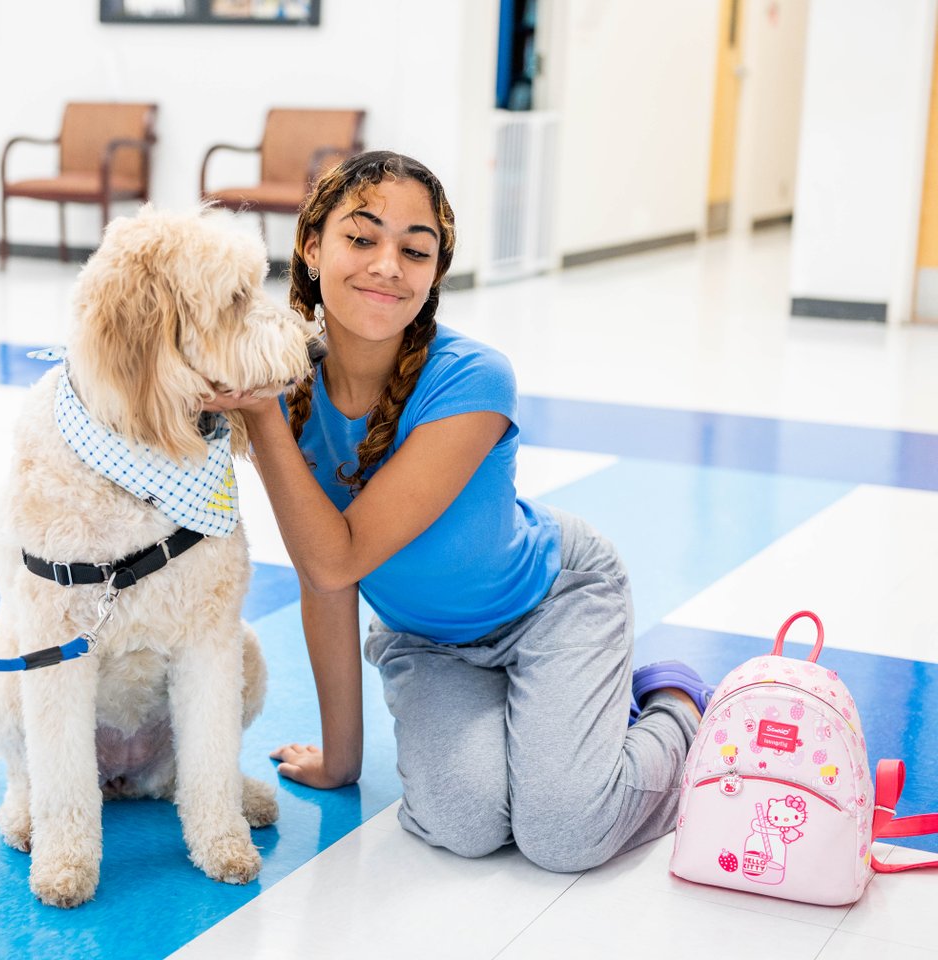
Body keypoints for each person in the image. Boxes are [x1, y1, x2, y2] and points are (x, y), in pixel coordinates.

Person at [209, 150, 713, 872]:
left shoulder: (474, 376)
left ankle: (677, 707)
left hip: (552, 602)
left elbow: (339, 556)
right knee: (465, 825)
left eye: (415, 251)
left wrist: (258, 415)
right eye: (362, 237)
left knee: (563, 833)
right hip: (429, 640)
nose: (388, 264)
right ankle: (553, 725)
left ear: (433, 276)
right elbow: (325, 585)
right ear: (312, 247)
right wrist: (341, 763)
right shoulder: (286, 387)